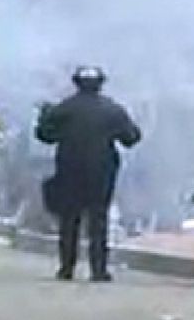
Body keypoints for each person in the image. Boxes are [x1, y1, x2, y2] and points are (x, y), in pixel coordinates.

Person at [36, 66, 142, 282]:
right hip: (102, 172)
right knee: (98, 220)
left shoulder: (64, 108)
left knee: (69, 219)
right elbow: (131, 138)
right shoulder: (113, 109)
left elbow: (45, 135)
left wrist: (45, 116)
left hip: (69, 169)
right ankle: (99, 270)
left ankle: (66, 268)